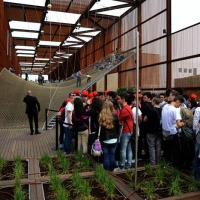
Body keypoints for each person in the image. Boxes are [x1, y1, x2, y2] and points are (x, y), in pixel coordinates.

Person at [114, 92, 134, 171]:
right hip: (130, 130)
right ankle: (128, 165)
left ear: (124, 99)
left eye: (120, 99)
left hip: (125, 131)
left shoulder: (124, 109)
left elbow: (119, 121)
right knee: (129, 149)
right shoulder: (128, 108)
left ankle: (121, 166)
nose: (118, 100)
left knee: (123, 149)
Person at [99, 100, 119, 171]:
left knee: (106, 156)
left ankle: (106, 170)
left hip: (104, 138)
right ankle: (112, 170)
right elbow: (117, 127)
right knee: (112, 155)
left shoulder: (101, 116)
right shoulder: (115, 115)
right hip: (114, 138)